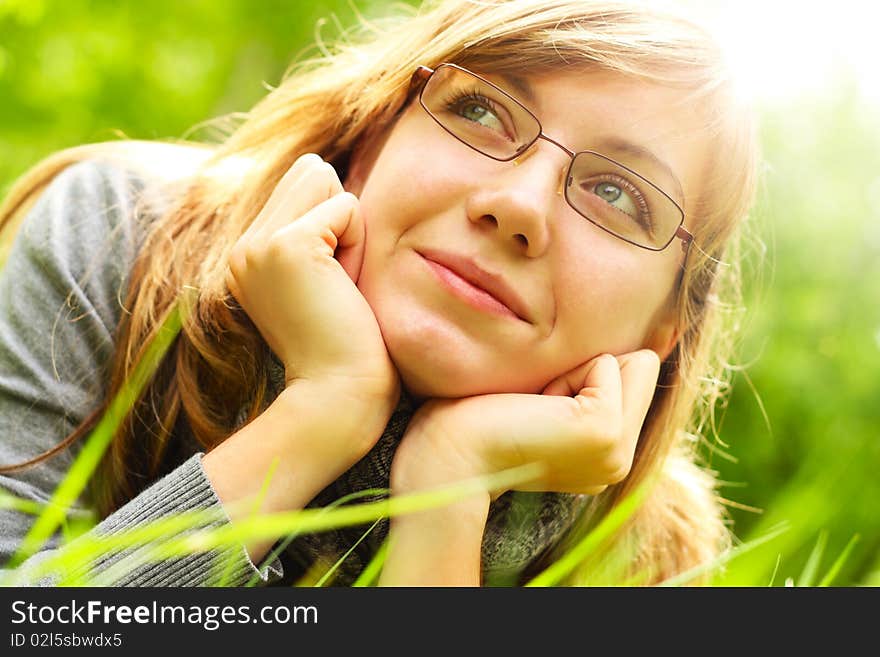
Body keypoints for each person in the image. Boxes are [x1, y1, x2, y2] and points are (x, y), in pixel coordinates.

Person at [0, 0, 758, 587]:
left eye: (619, 195)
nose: (519, 205)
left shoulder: (641, 561)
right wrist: (324, 409)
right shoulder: (112, 239)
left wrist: (448, 492)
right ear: (370, 139)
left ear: (664, 325)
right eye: (482, 110)